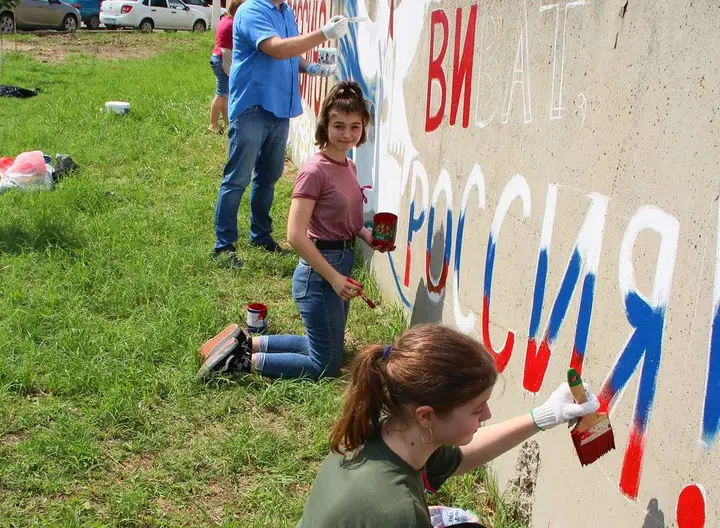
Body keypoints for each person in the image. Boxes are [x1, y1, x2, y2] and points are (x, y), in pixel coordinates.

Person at [298, 324, 600, 527]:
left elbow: (460, 459)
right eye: (476, 408)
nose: (487, 415)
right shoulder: (396, 511)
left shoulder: (389, 431)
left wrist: (545, 416)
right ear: (426, 415)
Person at [199, 81, 391, 380]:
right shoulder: (315, 170)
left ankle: (245, 342)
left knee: (328, 348)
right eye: (338, 125)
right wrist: (334, 277)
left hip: (340, 265)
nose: (347, 134)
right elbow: (295, 235)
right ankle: (238, 362)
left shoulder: (349, 167)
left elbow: (349, 222)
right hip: (319, 274)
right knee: (325, 367)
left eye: (355, 127)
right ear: (325, 125)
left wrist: (367, 236)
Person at [213, 0, 349, 268]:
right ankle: (224, 246)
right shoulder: (251, 10)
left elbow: (289, 50)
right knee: (237, 179)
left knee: (268, 177)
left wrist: (309, 67)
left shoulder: (285, 11)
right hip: (253, 106)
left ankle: (260, 236)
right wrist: (323, 34)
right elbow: (276, 48)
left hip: (279, 109)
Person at [207, 0, 244, 134]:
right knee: (221, 94)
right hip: (223, 58)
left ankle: (226, 122)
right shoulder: (232, 23)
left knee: (224, 93)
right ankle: (213, 125)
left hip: (218, 57)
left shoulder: (225, 19)